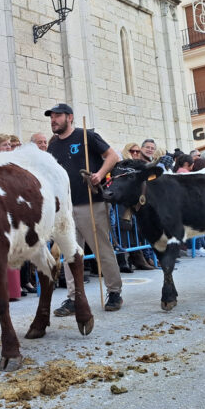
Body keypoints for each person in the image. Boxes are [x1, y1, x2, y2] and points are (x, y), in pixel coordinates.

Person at [45, 103, 124, 313]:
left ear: (69, 117)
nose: (53, 120)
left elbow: (113, 156)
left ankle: (114, 292)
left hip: (91, 202)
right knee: (71, 253)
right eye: (51, 117)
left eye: (57, 116)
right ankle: (74, 297)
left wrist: (99, 174)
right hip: (65, 208)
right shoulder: (52, 146)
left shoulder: (86, 136)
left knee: (102, 249)